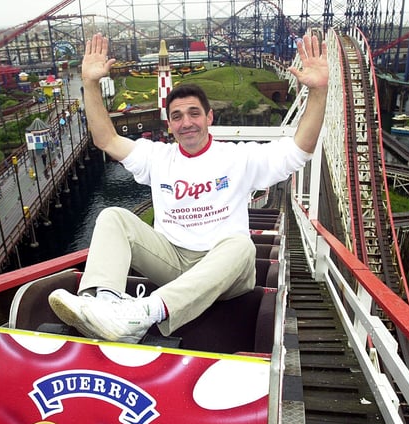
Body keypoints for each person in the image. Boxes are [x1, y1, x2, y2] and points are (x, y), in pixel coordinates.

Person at [49, 32, 329, 344]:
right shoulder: (158, 158)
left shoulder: (238, 156)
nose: (187, 122)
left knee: (242, 245)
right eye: (177, 116)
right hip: (174, 260)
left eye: (194, 113)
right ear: (169, 124)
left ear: (209, 117)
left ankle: (144, 313)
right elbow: (106, 140)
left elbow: (298, 150)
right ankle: (102, 305)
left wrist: (318, 91)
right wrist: (89, 83)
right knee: (113, 216)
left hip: (227, 269)